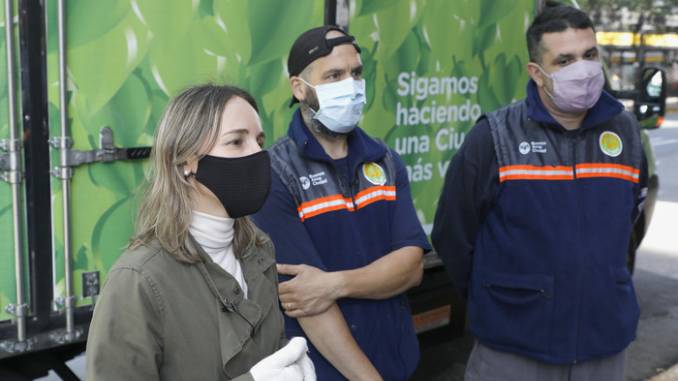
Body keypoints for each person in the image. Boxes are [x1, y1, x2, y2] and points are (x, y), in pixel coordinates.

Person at [432, 5, 647, 381]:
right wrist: (502, 301)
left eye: (589, 55)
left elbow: (629, 221)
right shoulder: (495, 138)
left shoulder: (625, 131)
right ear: (537, 72)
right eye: (565, 60)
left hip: (603, 345)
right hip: (514, 349)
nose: (583, 70)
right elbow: (454, 234)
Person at [86, 84, 315, 381]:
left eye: (260, 141)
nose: (259, 155)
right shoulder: (139, 280)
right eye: (236, 142)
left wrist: (291, 362)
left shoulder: (258, 249)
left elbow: (264, 351)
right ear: (186, 162)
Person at [252, 26, 431, 381]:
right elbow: (305, 301)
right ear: (299, 88)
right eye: (334, 75)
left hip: (398, 362)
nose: (350, 85)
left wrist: (335, 284)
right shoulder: (275, 174)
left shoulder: (385, 160)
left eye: (356, 73)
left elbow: (411, 268)